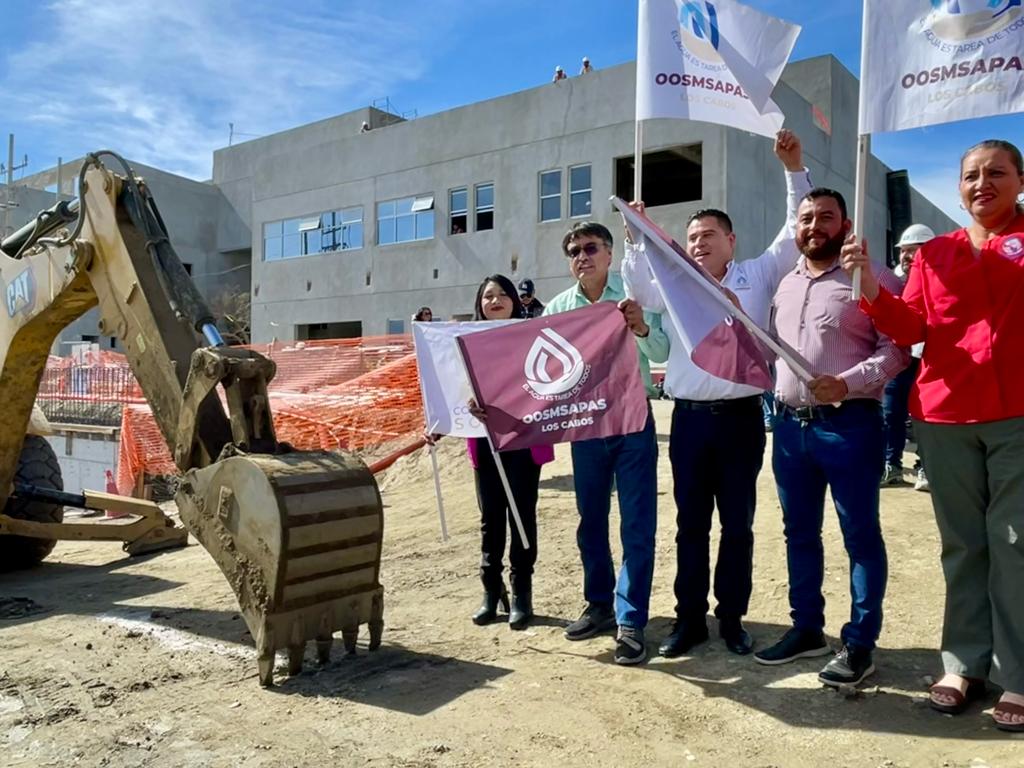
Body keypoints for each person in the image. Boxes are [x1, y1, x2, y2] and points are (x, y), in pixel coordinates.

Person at [841, 139, 1024, 732]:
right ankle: (964, 663)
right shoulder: (935, 253)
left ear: (1020, 180)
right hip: (945, 416)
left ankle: (1018, 673)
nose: (982, 183)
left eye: (996, 172)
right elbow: (910, 324)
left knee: (1015, 544)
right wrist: (869, 285)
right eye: (971, 175)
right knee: (963, 545)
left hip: (1017, 415)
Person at [621, 129, 812, 658]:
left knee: (738, 523)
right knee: (690, 524)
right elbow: (639, 290)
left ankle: (731, 618)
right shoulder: (676, 286)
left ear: (732, 241)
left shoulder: (758, 274)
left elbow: (794, 233)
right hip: (689, 422)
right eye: (693, 236)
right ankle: (689, 620)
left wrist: (793, 170)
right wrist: (636, 237)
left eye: (710, 234)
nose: (700, 242)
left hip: (741, 420)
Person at [753, 188, 908, 688]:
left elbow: (899, 349)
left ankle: (860, 642)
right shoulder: (785, 282)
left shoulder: (870, 276)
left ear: (844, 223)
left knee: (859, 536)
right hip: (791, 429)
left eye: (825, 217)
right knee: (798, 533)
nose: (814, 225)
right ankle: (806, 628)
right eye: (805, 218)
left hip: (850, 427)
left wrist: (848, 381)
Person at [544, 221, 669, 665]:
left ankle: (631, 620)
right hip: (586, 429)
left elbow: (661, 353)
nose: (582, 255)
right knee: (590, 522)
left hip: (633, 423)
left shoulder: (634, 293)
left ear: (610, 253)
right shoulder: (557, 308)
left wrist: (639, 328)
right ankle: (599, 604)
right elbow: (538, 371)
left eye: (590, 247)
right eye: (574, 250)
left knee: (637, 524)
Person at [429, 275, 554, 630]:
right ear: (479, 304)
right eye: (487, 295)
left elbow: (543, 385)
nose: (495, 300)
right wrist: (450, 414)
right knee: (491, 517)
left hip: (522, 439)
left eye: (502, 294)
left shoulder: (532, 336)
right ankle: (490, 587)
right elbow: (450, 388)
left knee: (521, 515)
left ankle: (521, 592)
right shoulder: (462, 342)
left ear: (516, 300)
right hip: (484, 441)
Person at [880, 224, 934, 489]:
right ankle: (892, 465)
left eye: (914, 250)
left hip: (929, 358)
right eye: (904, 250)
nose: (907, 256)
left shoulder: (942, 277)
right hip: (900, 356)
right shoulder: (894, 279)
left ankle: (925, 466)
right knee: (891, 413)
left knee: (925, 416)